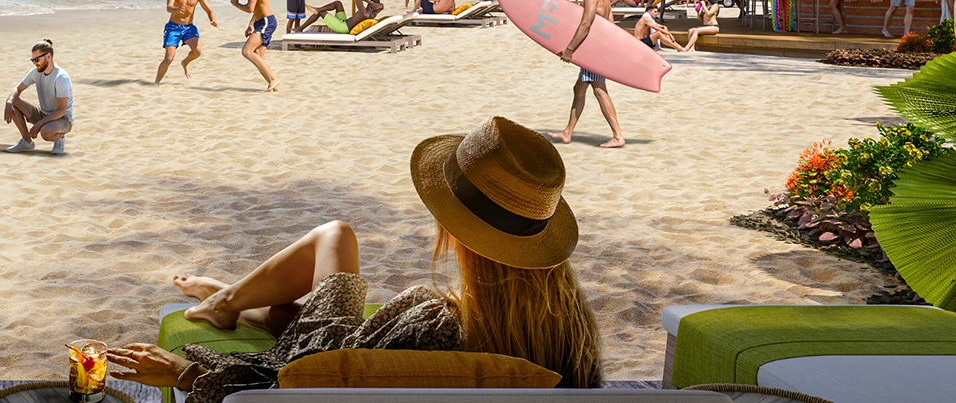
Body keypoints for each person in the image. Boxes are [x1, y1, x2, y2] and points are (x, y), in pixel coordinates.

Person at [108, 117, 602, 400]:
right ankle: (226, 297)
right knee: (321, 281)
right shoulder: (571, 337)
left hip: (325, 355)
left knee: (335, 237)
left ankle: (226, 300)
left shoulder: (438, 325)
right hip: (343, 347)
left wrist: (182, 373)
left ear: (455, 232)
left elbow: (299, 378)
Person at [546, 0, 625, 148]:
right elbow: (611, 23)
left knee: (599, 90)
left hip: (594, 50)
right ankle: (567, 132)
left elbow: (585, 24)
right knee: (579, 89)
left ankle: (617, 135)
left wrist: (570, 49)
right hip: (599, 48)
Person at [4, 39, 73, 155]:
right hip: (44, 114)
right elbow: (18, 89)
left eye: (37, 59)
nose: (34, 63)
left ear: (48, 56)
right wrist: (9, 102)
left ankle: (59, 137)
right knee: (14, 101)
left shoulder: (61, 78)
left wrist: (38, 125)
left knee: (46, 132)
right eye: (32, 60)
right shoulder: (36, 72)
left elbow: (62, 110)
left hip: (62, 119)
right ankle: (27, 142)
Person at [156, 0, 219, 85]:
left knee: (198, 51)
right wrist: (176, 9)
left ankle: (185, 63)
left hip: (189, 27)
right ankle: (156, 83)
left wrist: (212, 20)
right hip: (173, 27)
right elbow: (168, 8)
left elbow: (208, 9)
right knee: (169, 58)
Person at [230, 0, 279, 93]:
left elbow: (250, 8)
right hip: (261, 22)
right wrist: (251, 25)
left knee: (247, 51)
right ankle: (276, 88)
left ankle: (273, 79)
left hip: (266, 22)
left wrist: (236, 4)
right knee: (258, 56)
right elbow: (258, 7)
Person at [298, 0, 384, 33]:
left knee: (321, 13)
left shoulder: (364, 13)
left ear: (371, 5)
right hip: (344, 22)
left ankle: (300, 28)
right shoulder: (373, 14)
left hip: (342, 28)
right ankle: (318, 9)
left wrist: (370, 2)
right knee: (338, 3)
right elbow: (382, 6)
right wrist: (378, 6)